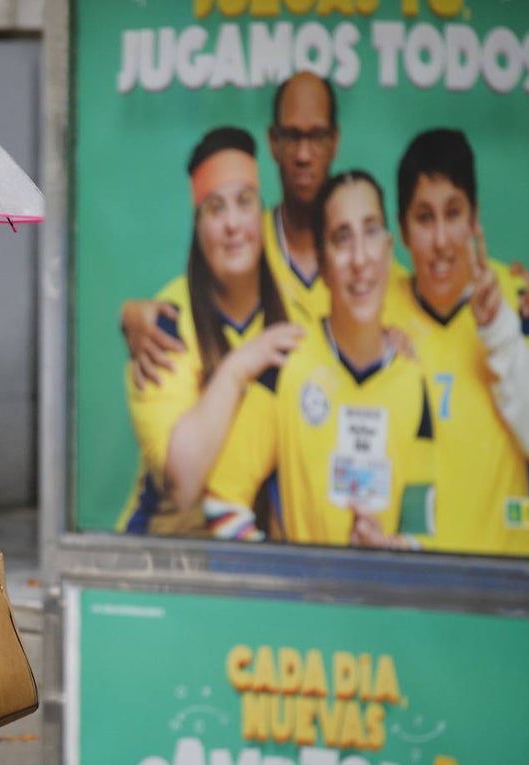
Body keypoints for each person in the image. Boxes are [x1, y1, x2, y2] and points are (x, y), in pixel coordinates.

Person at [204, 171, 435, 549]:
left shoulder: (413, 380)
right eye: (342, 238)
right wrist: (283, 574)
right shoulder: (286, 366)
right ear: (323, 264)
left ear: (389, 250)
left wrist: (393, 551)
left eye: (371, 231)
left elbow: (423, 531)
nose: (360, 258)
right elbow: (221, 504)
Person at [383, 128, 529, 557]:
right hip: (409, 584)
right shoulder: (375, 310)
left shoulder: (517, 299)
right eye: (424, 218)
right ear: (402, 230)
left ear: (475, 218)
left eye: (453, 213)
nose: (441, 240)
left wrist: (500, 332)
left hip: (502, 583)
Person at [117, 127, 303, 537]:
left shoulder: (295, 310)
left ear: (262, 214)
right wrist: (238, 368)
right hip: (163, 550)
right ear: (198, 226)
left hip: (254, 550)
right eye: (216, 209)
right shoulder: (166, 325)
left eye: (244, 202)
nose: (233, 224)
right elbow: (183, 484)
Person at [120, 72, 339, 390]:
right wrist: (130, 317)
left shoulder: (364, 265)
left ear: (335, 140)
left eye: (317, 136)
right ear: (274, 142)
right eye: (292, 136)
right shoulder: (243, 245)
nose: (304, 155)